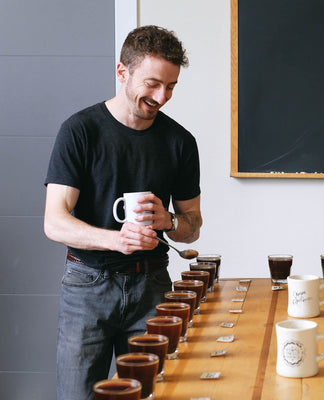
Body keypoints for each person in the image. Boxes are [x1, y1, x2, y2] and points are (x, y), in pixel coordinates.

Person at [43, 25, 202, 400]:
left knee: (156, 394)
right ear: (122, 72)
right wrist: (117, 240)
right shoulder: (80, 131)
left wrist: (169, 221)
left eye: (171, 86)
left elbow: (193, 226)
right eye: (153, 84)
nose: (162, 96)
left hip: (153, 287)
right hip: (87, 287)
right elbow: (54, 221)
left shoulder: (181, 142)